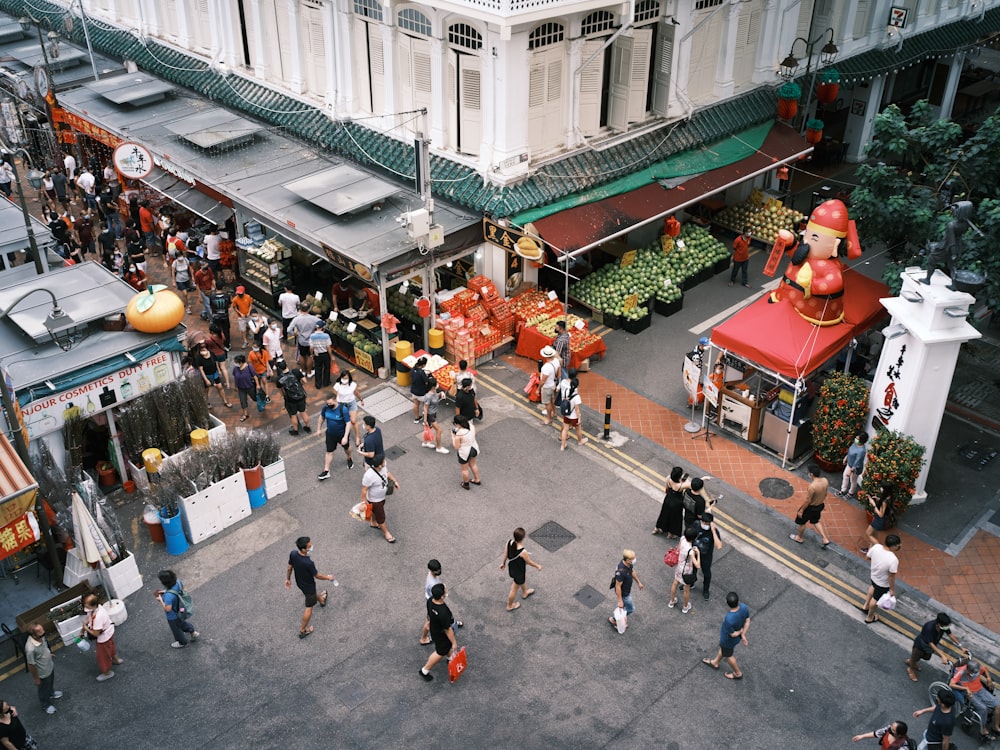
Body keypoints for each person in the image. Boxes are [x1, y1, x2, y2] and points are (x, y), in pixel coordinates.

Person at [285, 536, 336, 639]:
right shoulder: (308, 563)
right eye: (310, 546)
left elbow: (289, 567)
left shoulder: (293, 554)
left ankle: (321, 600)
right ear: (304, 549)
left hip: (300, 583)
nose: (312, 546)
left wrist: (288, 579)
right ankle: (303, 630)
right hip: (308, 586)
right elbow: (317, 575)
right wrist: (328, 577)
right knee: (309, 607)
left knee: (311, 594)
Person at [701, 591, 751, 680]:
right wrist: (743, 634)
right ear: (738, 600)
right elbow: (747, 620)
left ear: (727, 603)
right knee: (724, 650)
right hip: (734, 640)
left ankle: (737, 673)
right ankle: (715, 662)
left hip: (728, 641)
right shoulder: (744, 607)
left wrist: (740, 631)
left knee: (729, 656)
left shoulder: (729, 618)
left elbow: (733, 634)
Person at [950, 658, 1000, 740]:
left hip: (980, 689)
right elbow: (951, 684)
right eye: (972, 673)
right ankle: (983, 730)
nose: (974, 674)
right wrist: (965, 688)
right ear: (967, 670)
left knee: (998, 705)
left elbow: (984, 669)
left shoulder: (976, 668)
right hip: (970, 693)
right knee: (983, 708)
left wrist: (988, 678)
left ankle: (996, 727)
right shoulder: (961, 671)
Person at [906, 613, 964, 683]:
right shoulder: (929, 627)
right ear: (939, 624)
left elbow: (950, 635)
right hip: (920, 646)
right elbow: (931, 644)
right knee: (916, 656)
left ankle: (911, 661)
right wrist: (942, 655)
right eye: (946, 625)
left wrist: (961, 646)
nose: (947, 627)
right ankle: (911, 669)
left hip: (929, 647)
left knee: (926, 657)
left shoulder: (943, 626)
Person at [81, 592, 123, 682]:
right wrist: (82, 629)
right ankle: (116, 659)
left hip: (103, 637)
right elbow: (88, 617)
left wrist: (85, 628)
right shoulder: (97, 607)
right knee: (111, 646)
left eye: (86, 604)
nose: (85, 605)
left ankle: (107, 672)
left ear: (92, 605)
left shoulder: (98, 617)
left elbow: (96, 633)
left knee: (102, 656)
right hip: (109, 631)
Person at [419, 583, 457, 682]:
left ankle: (450, 658)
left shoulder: (430, 601)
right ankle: (425, 670)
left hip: (434, 630)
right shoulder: (444, 612)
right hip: (441, 634)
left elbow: (429, 615)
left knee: (446, 647)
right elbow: (448, 630)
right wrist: (454, 643)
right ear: (441, 596)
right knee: (440, 652)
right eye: (445, 590)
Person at [862, 534, 902, 625]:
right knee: (875, 599)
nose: (899, 546)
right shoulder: (893, 559)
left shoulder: (876, 547)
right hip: (883, 584)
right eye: (898, 545)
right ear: (893, 546)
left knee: (873, 587)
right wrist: (892, 589)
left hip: (874, 576)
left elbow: (867, 557)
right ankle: (869, 617)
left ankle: (865, 606)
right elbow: (891, 576)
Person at [420, 560, 463, 644]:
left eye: (439, 569)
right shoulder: (432, 584)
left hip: (431, 599)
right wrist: (444, 592)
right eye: (437, 570)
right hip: (432, 602)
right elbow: (437, 594)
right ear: (432, 570)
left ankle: (451, 623)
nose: (439, 571)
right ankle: (423, 638)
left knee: (431, 618)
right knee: (429, 621)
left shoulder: (431, 575)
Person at [154, 570, 200, 648]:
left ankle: (182, 642)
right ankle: (192, 631)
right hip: (181, 609)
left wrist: (161, 600)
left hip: (173, 616)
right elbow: (176, 590)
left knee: (176, 629)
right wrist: (165, 591)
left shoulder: (168, 596)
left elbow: (168, 609)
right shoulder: (178, 582)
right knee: (182, 622)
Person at [790, 463, 832, 547]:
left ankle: (799, 537)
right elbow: (825, 493)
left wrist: (801, 510)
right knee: (815, 521)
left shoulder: (812, 487)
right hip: (819, 506)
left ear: (811, 474)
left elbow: (808, 500)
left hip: (810, 508)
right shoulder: (825, 481)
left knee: (802, 523)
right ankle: (825, 538)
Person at [500, 527, 542, 611]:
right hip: (518, 571)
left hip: (513, 568)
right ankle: (510, 605)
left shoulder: (509, 542)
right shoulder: (523, 551)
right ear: (523, 537)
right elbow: (529, 562)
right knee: (514, 589)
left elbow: (505, 553)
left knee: (523, 578)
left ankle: (525, 592)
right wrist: (538, 566)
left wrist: (503, 563)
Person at [24, 623, 62, 714]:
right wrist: (36, 678)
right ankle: (45, 705)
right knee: (43, 689)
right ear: (34, 635)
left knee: (50, 683)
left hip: (49, 666)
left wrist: (48, 654)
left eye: (43, 630)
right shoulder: (30, 649)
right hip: (42, 672)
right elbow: (31, 665)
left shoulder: (41, 637)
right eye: (40, 632)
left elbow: (43, 649)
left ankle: (51, 693)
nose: (43, 633)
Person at [361, 454, 398, 543]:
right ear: (379, 465)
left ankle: (373, 522)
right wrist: (363, 502)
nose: (385, 461)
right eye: (383, 461)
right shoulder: (369, 475)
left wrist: (395, 481)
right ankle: (386, 533)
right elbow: (364, 489)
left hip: (381, 498)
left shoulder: (383, 467)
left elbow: (387, 473)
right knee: (381, 517)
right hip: (375, 500)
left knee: (375, 511)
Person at [317, 397, 354, 478]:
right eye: (328, 403)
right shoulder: (325, 407)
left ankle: (349, 458)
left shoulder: (343, 409)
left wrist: (345, 437)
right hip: (330, 434)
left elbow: (348, 423)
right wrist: (319, 428)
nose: (329, 405)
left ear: (335, 401)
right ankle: (326, 471)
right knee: (329, 451)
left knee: (346, 448)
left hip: (342, 434)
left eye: (330, 403)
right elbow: (322, 417)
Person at [668, 525, 701, 614]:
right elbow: (697, 565)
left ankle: (671, 601)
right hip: (686, 570)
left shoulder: (682, 539)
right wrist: (698, 553)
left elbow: (678, 549)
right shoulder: (691, 551)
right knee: (686, 589)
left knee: (675, 582)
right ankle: (685, 607)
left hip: (679, 566)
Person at [609, 549, 644, 632]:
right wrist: (620, 600)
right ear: (628, 560)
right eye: (633, 558)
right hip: (624, 594)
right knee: (631, 609)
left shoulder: (628, 565)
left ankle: (617, 617)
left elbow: (632, 572)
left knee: (623, 607)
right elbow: (618, 587)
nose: (634, 559)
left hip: (627, 591)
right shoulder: (621, 572)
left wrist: (639, 582)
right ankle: (615, 619)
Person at [275, 360, 310, 435]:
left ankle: (295, 430)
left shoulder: (279, 379)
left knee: (293, 415)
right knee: (303, 412)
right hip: (301, 396)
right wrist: (300, 385)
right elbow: (305, 381)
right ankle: (308, 427)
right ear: (286, 364)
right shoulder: (296, 371)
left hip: (290, 399)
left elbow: (281, 391)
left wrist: (283, 396)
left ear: (279, 369)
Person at [694, 512, 724, 600]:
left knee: (706, 574)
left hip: (705, 557)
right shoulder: (696, 524)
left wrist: (713, 531)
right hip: (694, 553)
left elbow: (719, 546)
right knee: (692, 569)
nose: (704, 525)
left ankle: (705, 590)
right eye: (703, 522)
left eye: (706, 524)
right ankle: (691, 582)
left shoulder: (713, 531)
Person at [288, 304, 322, 377]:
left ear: (300, 309)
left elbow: (289, 329)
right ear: (309, 309)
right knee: (310, 356)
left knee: (302, 355)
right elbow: (322, 324)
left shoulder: (297, 319)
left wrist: (295, 334)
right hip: (311, 341)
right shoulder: (313, 319)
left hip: (301, 340)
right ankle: (309, 372)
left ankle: (303, 371)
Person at [861, 482, 894, 554]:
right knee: (873, 535)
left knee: (868, 534)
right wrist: (878, 499)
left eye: (882, 488)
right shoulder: (889, 497)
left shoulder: (884, 502)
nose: (881, 489)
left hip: (879, 520)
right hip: (880, 520)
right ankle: (870, 551)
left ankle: (880, 549)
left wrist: (873, 504)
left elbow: (880, 514)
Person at [421, 376, 449, 454]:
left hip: (433, 413)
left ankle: (426, 442)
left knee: (429, 428)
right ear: (433, 386)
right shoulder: (428, 396)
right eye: (436, 384)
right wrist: (425, 420)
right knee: (439, 430)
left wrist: (441, 393)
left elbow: (436, 395)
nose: (438, 385)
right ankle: (439, 447)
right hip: (430, 415)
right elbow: (425, 408)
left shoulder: (434, 391)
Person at [452, 414, 480, 490]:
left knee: (464, 469)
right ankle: (477, 479)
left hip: (464, 452)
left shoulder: (459, 434)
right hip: (474, 447)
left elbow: (456, 446)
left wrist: (453, 437)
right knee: (473, 464)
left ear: (458, 424)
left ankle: (466, 484)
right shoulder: (471, 426)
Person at [559, 376, 588, 450]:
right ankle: (580, 441)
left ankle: (563, 445)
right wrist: (579, 418)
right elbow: (577, 409)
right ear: (577, 386)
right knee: (578, 429)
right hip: (574, 416)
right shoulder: (576, 396)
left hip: (566, 414)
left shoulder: (566, 391)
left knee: (565, 429)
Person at [839, 432, 869, 499]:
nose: (856, 438)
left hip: (855, 468)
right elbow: (850, 451)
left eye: (857, 438)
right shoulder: (855, 444)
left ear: (861, 440)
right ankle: (843, 490)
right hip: (849, 464)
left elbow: (857, 462)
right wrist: (846, 457)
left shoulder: (862, 451)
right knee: (845, 476)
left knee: (853, 480)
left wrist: (851, 470)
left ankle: (851, 493)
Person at [231, 354, 258, 422]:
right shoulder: (236, 369)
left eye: (236, 362)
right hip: (241, 388)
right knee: (243, 401)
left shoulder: (249, 367)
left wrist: (258, 385)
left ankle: (262, 402)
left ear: (241, 362)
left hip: (250, 386)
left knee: (255, 398)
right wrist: (235, 386)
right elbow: (235, 377)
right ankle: (245, 414)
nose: (235, 364)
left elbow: (255, 376)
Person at [539, 345, 560, 425]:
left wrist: (538, 389)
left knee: (547, 403)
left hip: (547, 387)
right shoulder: (557, 361)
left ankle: (549, 418)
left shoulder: (546, 367)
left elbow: (543, 381)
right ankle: (554, 413)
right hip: (553, 384)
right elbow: (559, 373)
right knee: (552, 400)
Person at [309, 323, 334, 390]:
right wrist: (331, 356)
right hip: (325, 354)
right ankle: (326, 382)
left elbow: (311, 347)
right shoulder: (326, 336)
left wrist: (311, 354)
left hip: (317, 354)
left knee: (318, 369)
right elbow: (328, 347)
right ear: (322, 328)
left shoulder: (312, 336)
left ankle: (318, 384)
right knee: (327, 368)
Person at [410, 356, 430, 422]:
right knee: (426, 406)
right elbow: (426, 382)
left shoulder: (413, 369)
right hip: (421, 393)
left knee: (416, 404)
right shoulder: (421, 372)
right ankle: (425, 420)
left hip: (414, 391)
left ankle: (416, 418)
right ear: (423, 365)